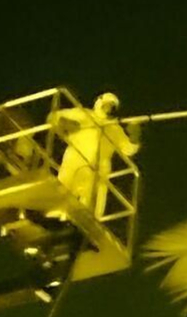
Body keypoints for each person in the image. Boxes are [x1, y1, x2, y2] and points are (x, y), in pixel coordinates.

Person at [47, 92, 139, 223]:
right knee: (63, 191)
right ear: (99, 102)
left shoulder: (114, 128)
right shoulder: (83, 114)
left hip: (99, 168)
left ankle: (87, 224)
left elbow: (129, 149)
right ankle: (55, 217)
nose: (109, 108)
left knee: (91, 203)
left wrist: (135, 133)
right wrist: (68, 124)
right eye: (107, 104)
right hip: (75, 160)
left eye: (112, 106)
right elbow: (53, 117)